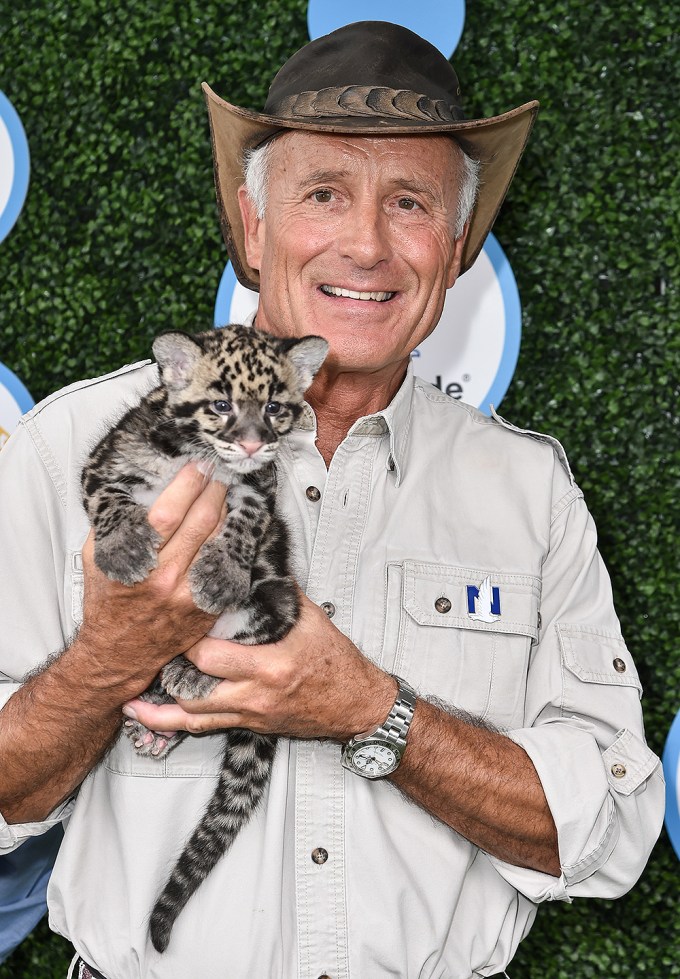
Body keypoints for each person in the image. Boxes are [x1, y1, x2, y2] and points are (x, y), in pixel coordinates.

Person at [0, 21, 664, 979]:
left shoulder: (530, 490)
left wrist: (372, 712)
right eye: (324, 195)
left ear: (459, 243)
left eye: (410, 203)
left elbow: (608, 836)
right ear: (255, 226)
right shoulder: (73, 447)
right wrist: (109, 658)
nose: (367, 244)